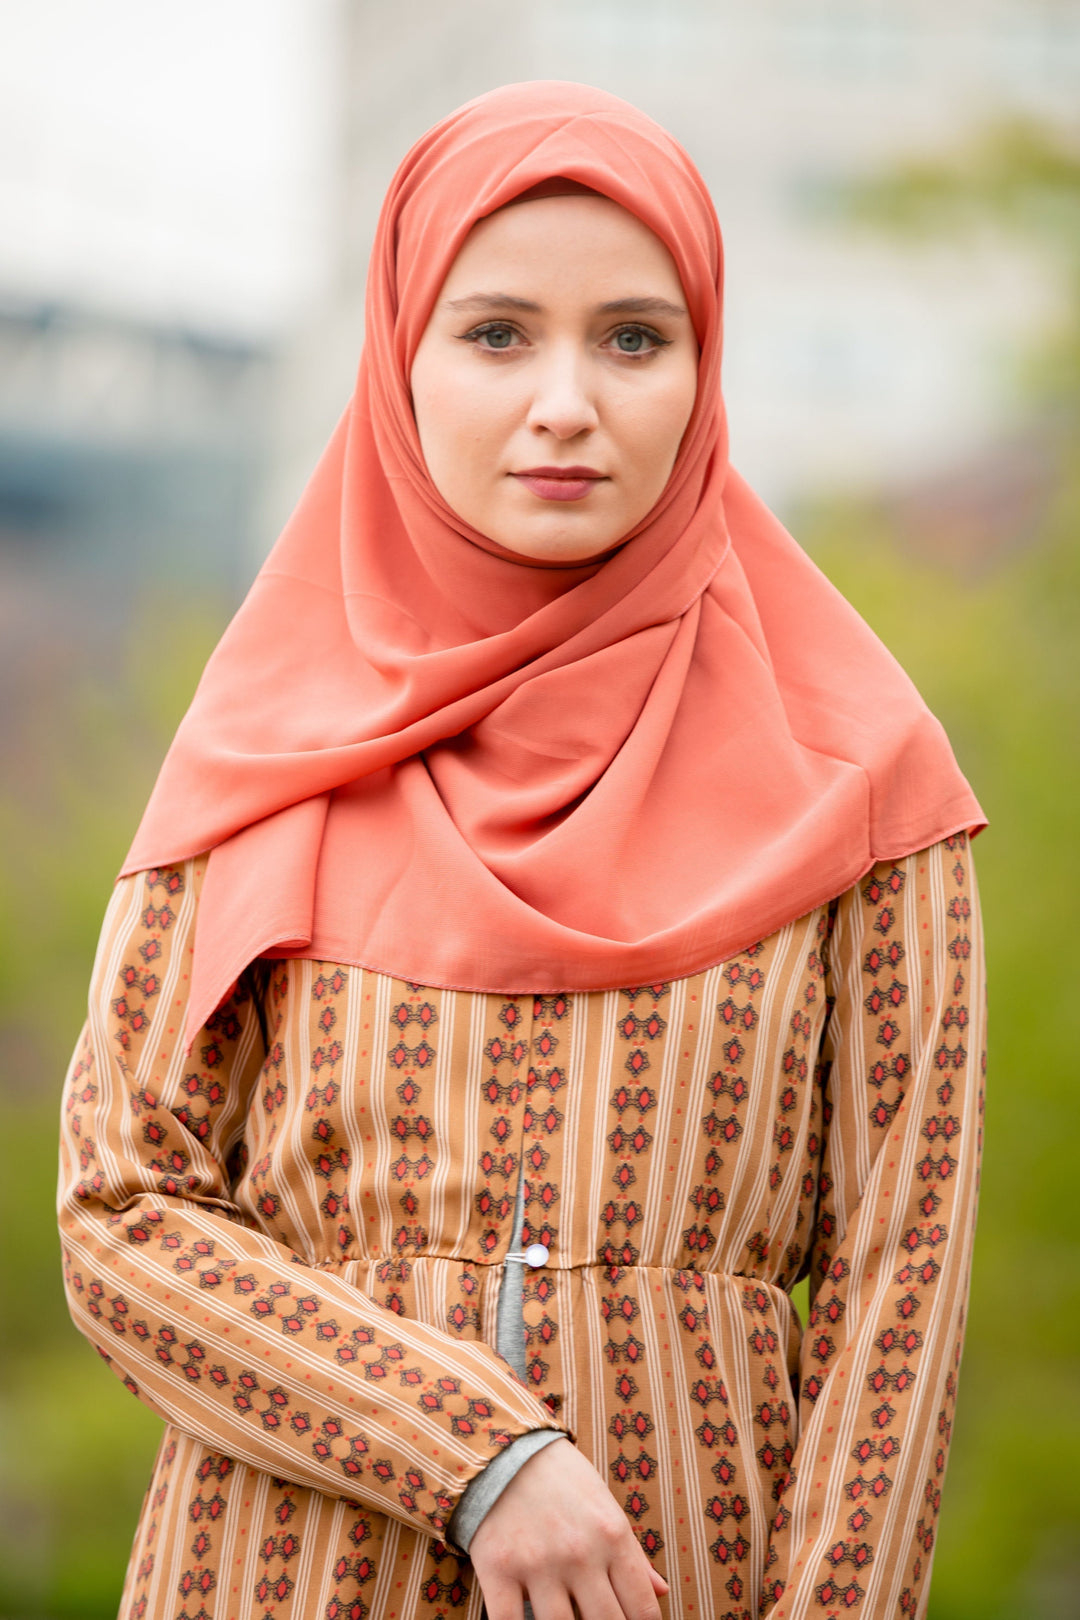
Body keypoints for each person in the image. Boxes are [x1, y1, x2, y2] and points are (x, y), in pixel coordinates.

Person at [58, 82, 986, 1620]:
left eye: (634, 337)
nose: (569, 400)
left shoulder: (865, 783)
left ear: (705, 372)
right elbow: (118, 1218)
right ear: (399, 363)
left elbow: (904, 1304)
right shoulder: (268, 754)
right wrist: (475, 1449)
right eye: (496, 335)